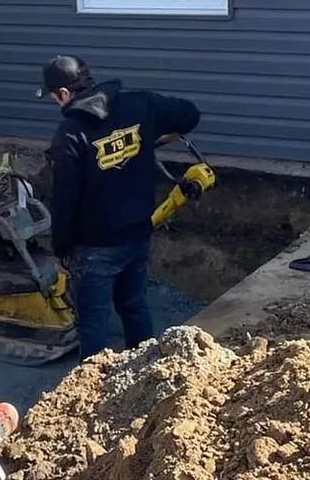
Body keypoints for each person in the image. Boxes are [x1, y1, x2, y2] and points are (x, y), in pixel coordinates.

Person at [41, 55, 201, 359]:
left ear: (63, 94)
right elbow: (189, 115)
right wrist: (149, 139)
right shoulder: (138, 104)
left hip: (95, 248)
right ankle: (147, 371)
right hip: (139, 233)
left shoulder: (71, 134)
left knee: (93, 324)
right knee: (134, 306)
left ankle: (95, 392)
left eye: (53, 97)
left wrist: (61, 251)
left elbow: (65, 202)